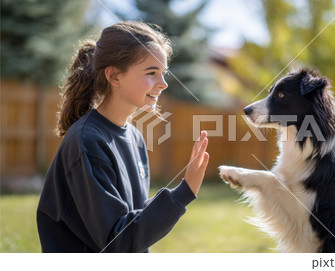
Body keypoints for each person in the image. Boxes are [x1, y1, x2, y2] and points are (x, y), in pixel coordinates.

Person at [36, 21, 209, 253]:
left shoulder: (135, 138)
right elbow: (118, 242)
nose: (163, 83)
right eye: (151, 73)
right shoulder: (87, 141)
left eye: (163, 73)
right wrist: (183, 192)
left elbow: (133, 222)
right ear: (114, 76)